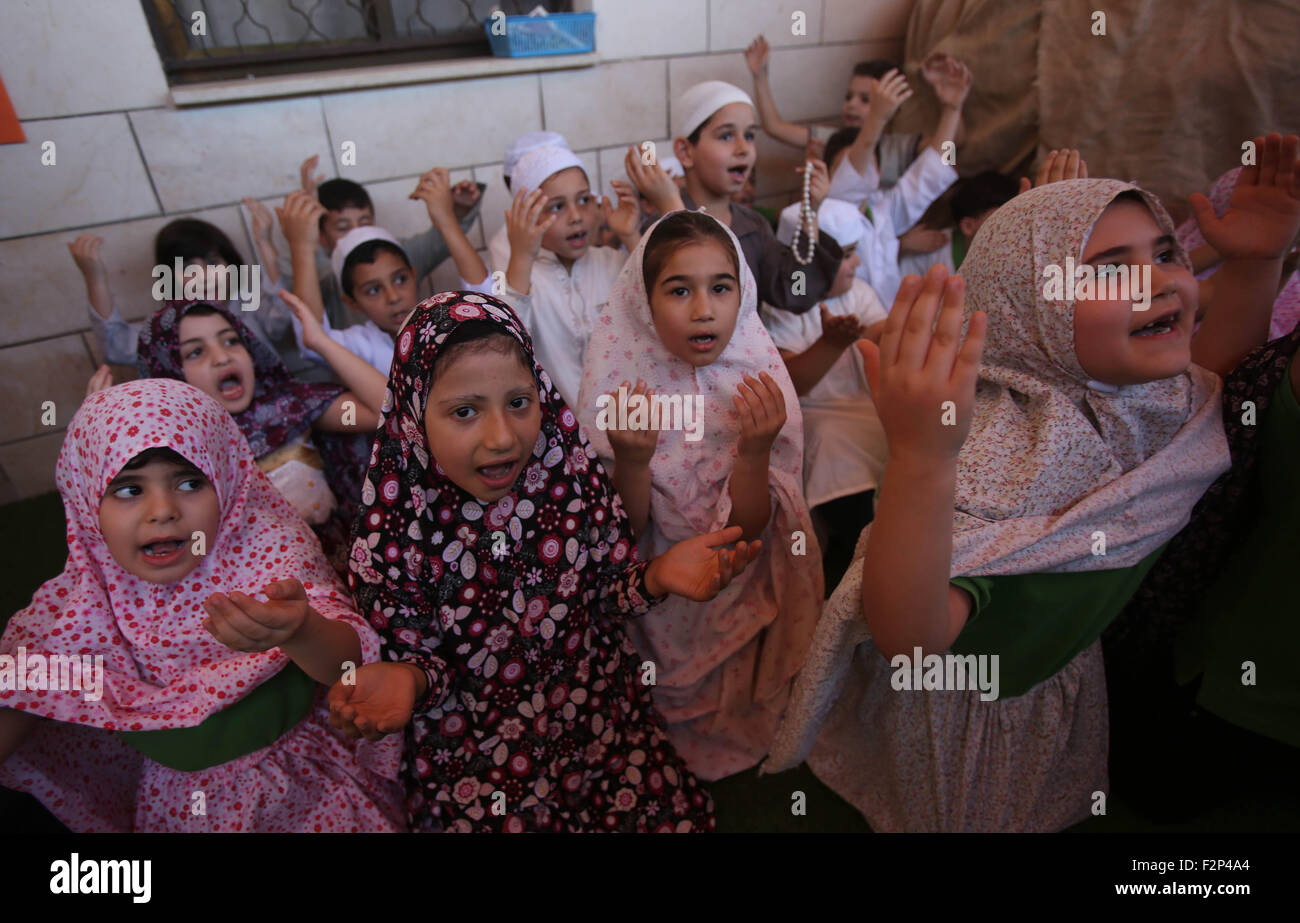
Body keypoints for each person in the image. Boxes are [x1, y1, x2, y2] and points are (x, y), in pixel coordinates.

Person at [765, 137, 1300, 830]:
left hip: (1060, 671)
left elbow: (1210, 393)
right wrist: (922, 458)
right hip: (972, 698)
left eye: (1165, 252)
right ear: (1030, 308)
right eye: (1110, 269)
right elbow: (913, 639)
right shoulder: (983, 452)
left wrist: (1259, 262)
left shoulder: (1153, 396)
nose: (1160, 279)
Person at [329, 291, 763, 831]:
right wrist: (407, 679)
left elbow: (602, 593)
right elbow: (424, 662)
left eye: (518, 401)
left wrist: (656, 575)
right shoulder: (394, 532)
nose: (503, 437)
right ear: (415, 414)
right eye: (464, 412)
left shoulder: (564, 473)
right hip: (481, 761)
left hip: (598, 722)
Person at [0, 379, 406, 832]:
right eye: (129, 490)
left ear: (229, 483)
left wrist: (302, 630)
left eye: (190, 482)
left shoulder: (271, 551)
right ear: (85, 502)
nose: (163, 510)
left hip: (310, 787)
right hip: (183, 809)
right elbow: (19, 685)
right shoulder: (79, 602)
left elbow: (351, 667)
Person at [578, 210, 822, 779]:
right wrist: (634, 458)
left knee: (730, 671)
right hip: (658, 590)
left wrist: (756, 449)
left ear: (744, 292)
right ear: (643, 301)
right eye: (679, 290)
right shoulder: (620, 386)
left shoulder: (757, 378)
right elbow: (622, 534)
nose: (703, 309)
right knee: (659, 690)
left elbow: (752, 530)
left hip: (735, 578)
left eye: (720, 287)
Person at [496, 144, 641, 408]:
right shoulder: (517, 276)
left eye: (584, 200)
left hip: (627, 425)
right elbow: (504, 344)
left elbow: (657, 306)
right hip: (562, 438)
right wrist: (522, 256)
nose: (576, 217)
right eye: (557, 206)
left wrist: (631, 236)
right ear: (526, 217)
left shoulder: (612, 261)